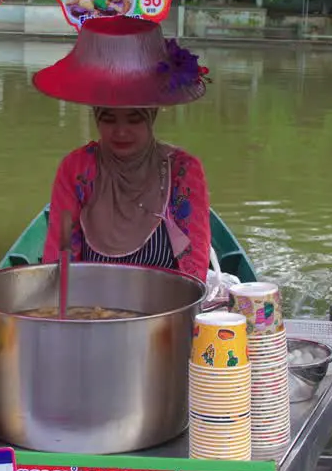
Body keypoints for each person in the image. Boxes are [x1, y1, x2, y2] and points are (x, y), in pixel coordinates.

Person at [37, 16, 212, 281]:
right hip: (91, 304)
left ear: (152, 116)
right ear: (96, 117)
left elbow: (195, 261)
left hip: (164, 305)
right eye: (108, 119)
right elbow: (60, 255)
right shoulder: (76, 169)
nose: (121, 132)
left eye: (134, 119)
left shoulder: (181, 170)